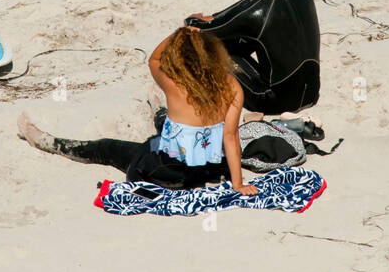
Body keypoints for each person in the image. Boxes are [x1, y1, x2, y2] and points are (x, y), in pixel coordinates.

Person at [18, 27, 258, 194]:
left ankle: (47, 142)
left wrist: (181, 32)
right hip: (208, 170)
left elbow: (154, 60)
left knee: (106, 147)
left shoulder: (174, 83)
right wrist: (237, 184)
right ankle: (158, 109)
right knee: (173, 128)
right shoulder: (232, 86)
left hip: (167, 173)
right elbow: (230, 137)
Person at [184, 0, 320, 117]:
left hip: (276, 101)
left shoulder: (256, 12)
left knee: (208, 47)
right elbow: (246, 10)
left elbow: (199, 30)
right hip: (311, 94)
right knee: (248, 35)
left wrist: (193, 20)